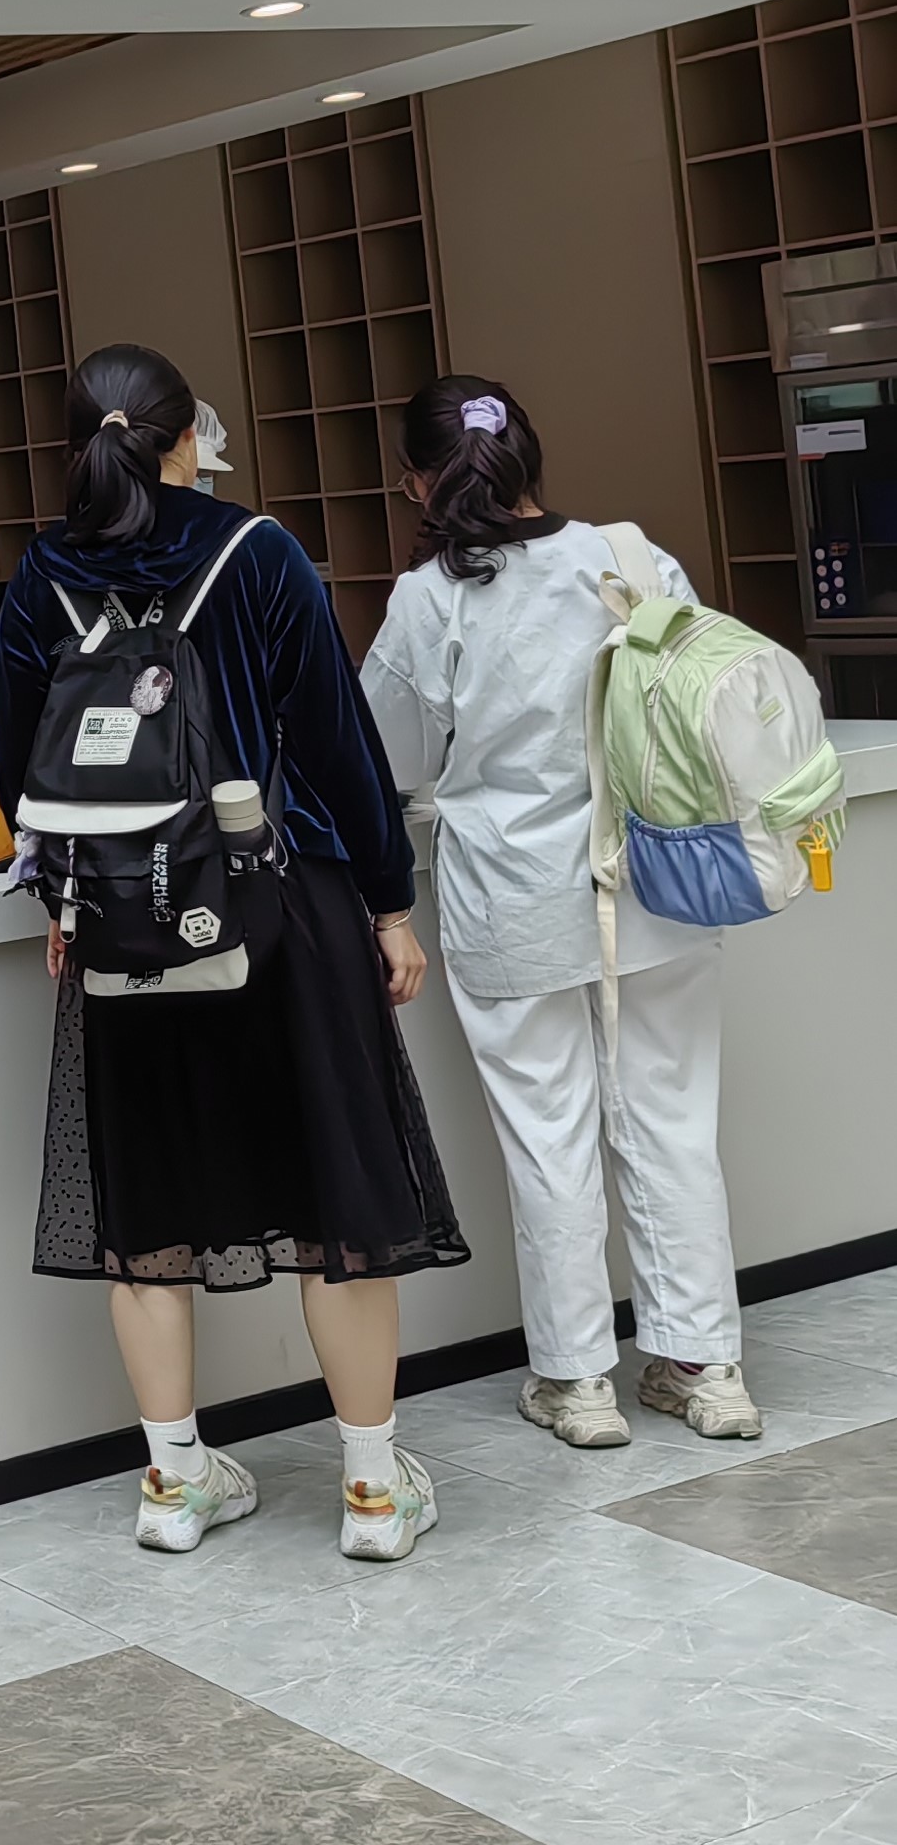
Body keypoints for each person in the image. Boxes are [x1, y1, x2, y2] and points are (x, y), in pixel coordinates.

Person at [0, 346, 466, 1566]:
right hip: (281, 912)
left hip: (123, 928)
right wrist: (389, 904)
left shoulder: (43, 574)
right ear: (184, 438)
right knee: (339, 1206)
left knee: (145, 1218)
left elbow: (18, 772)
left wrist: (61, 894)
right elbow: (340, 746)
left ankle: (174, 1481)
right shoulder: (256, 551)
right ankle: (372, 1491)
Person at [362, 376, 757, 1449]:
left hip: (514, 899)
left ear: (417, 483)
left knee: (550, 1141)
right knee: (671, 1121)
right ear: (530, 459)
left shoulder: (429, 600)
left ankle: (577, 1384)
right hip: (660, 885)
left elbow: (385, 758)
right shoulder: (632, 558)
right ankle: (704, 1368)